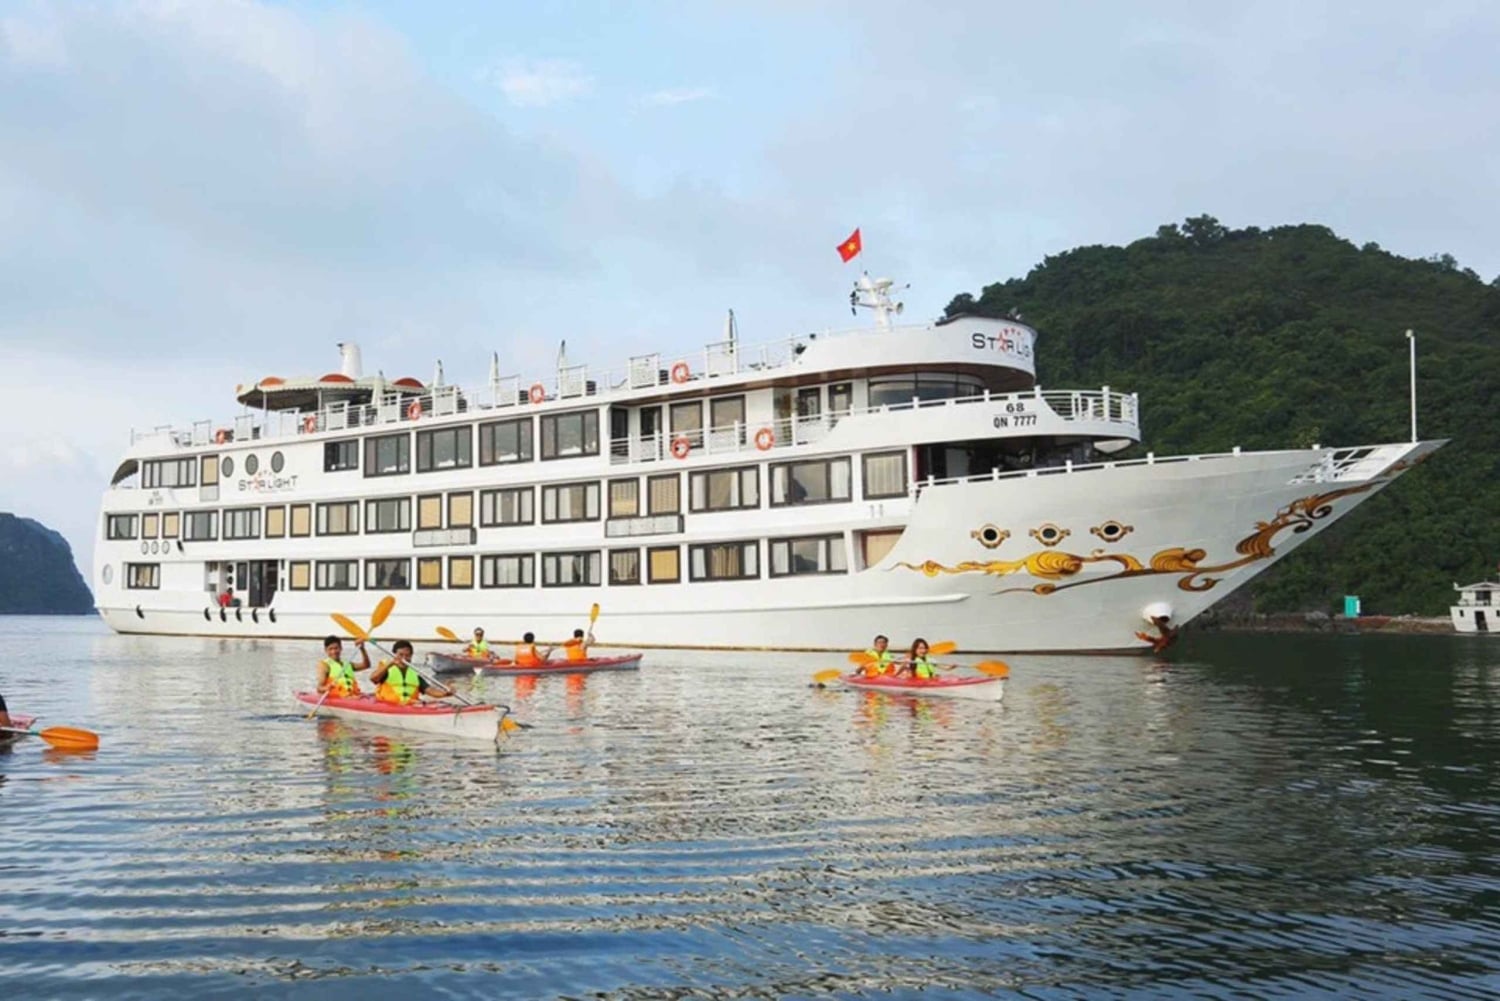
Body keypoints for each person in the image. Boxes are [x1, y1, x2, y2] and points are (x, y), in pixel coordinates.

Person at [369, 640, 453, 705]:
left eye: (407, 655)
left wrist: (445, 693)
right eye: (400, 655)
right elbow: (373, 678)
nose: (404, 658)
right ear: (394, 655)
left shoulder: (414, 674)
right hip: (387, 705)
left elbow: (429, 690)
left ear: (411, 656)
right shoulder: (386, 669)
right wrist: (390, 663)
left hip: (410, 705)